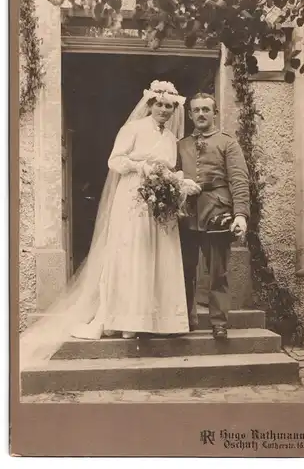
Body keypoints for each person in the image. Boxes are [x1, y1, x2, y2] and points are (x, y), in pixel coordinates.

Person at [20, 81, 200, 368]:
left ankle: (157, 318)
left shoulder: (170, 139)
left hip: (159, 201)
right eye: (160, 104)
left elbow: (167, 168)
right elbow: (114, 161)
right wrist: (141, 167)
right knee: (132, 253)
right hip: (133, 197)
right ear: (150, 105)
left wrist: (180, 181)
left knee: (158, 255)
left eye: (170, 106)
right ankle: (126, 318)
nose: (164, 110)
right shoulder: (133, 129)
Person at [177, 93, 250, 340]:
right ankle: (186, 319)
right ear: (189, 115)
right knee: (185, 269)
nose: (201, 114)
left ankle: (219, 322)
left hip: (216, 211)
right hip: (186, 213)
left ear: (214, 113)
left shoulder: (227, 143)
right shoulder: (181, 144)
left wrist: (240, 214)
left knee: (217, 271)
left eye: (206, 110)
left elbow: (239, 179)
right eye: (196, 110)